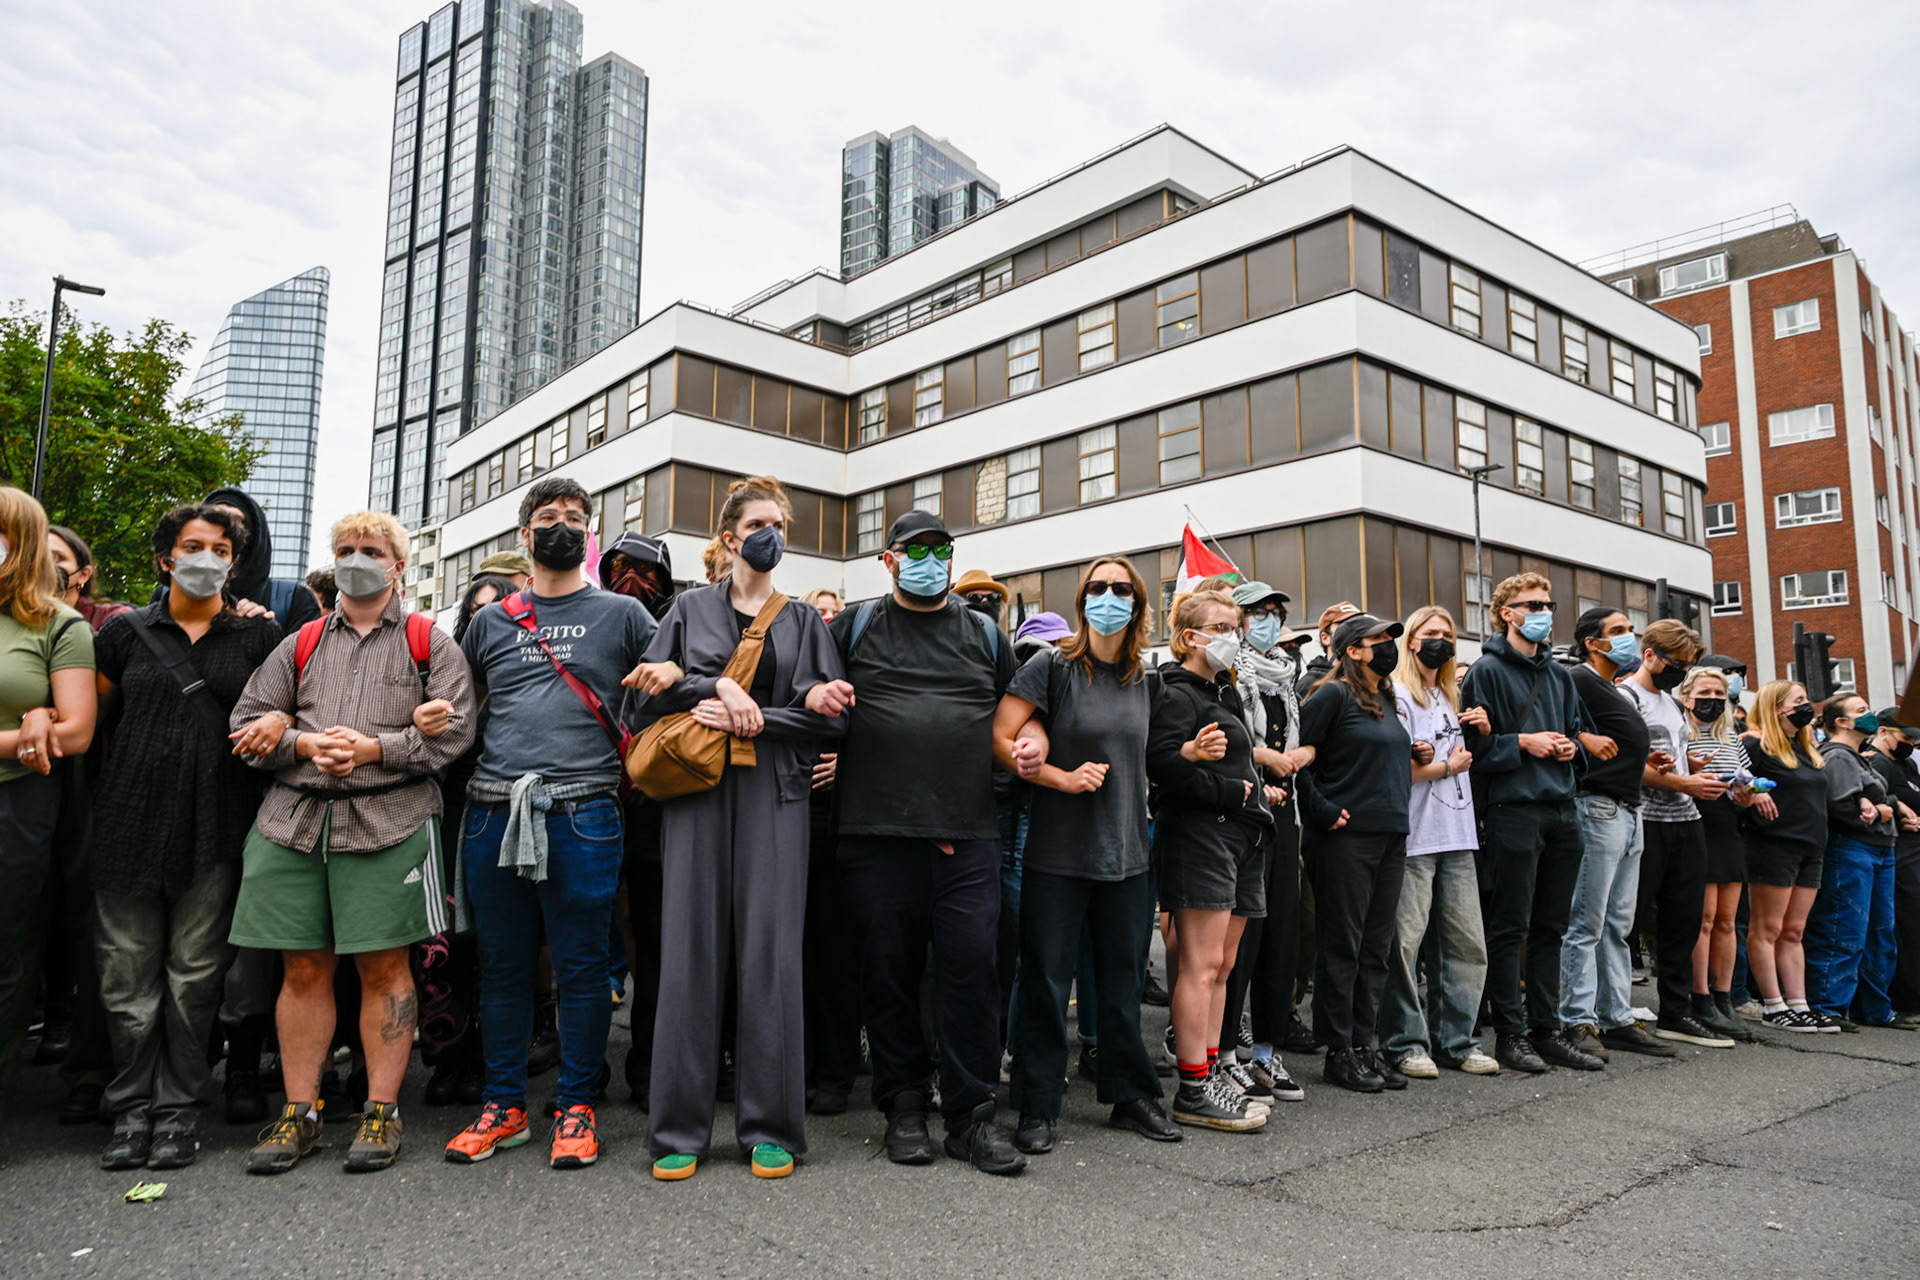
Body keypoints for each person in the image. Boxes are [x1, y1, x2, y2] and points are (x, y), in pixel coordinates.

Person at [225, 510, 477, 1175]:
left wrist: (375, 749)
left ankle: (381, 1110)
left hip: (390, 822)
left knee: (383, 967)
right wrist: (304, 742)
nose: (356, 558)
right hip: (294, 823)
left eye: (370, 549)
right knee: (302, 968)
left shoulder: (431, 642)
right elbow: (247, 723)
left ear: (398, 565)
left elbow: (455, 734)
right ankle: (300, 1110)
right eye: (344, 550)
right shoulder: (300, 642)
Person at [629, 476, 850, 1182]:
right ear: (728, 537)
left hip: (776, 795)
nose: (771, 534)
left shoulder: (804, 621)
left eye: (779, 523)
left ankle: (771, 1126)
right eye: (758, 522)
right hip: (697, 793)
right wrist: (715, 688)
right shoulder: (687, 610)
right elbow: (643, 702)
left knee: (771, 957)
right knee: (688, 953)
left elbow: (835, 720)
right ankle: (677, 1130)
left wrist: (764, 715)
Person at [446, 477, 658, 1170]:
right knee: (503, 969)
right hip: (492, 810)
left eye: (575, 517)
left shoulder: (624, 614)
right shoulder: (491, 621)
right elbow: (462, 708)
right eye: (547, 517)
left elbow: (671, 680)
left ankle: (577, 1106)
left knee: (583, 968)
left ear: (589, 535)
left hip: (585, 812)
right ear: (525, 534)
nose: (561, 526)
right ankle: (503, 1106)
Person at [828, 510, 1027, 1175]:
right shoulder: (851, 625)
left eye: (940, 548)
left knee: (973, 973)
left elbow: (1013, 722)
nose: (929, 558)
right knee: (888, 975)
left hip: (967, 836)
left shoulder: (986, 635)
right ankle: (905, 1107)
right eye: (914, 549)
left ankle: (973, 1119)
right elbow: (811, 698)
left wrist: (1029, 751)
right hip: (876, 835)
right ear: (888, 560)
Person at [90, 504, 279, 1169]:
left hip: (216, 823)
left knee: (195, 980)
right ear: (165, 558)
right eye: (191, 546)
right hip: (125, 822)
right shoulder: (123, 634)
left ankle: (176, 1113)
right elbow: (90, 725)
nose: (206, 557)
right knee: (125, 979)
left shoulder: (259, 636)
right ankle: (130, 1110)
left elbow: (279, 710)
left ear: (234, 560)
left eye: (220, 549)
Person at [995, 555, 1179, 1153]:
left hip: (1128, 856)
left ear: (1137, 601)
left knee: (1122, 984)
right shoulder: (1053, 667)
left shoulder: (1146, 680)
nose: (1108, 597)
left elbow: (1156, 759)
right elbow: (1002, 737)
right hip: (1057, 855)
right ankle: (1038, 1104)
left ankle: (1129, 1097)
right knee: (1047, 984)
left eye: (1119, 588)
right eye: (1096, 588)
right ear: (1082, 601)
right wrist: (1058, 778)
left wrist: (1198, 758)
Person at [1460, 573, 1601, 1073]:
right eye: (1531, 604)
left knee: (1552, 927)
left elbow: (1582, 737)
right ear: (1507, 613)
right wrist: (1522, 742)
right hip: (1513, 810)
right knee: (1510, 926)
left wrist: (1567, 748)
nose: (1542, 612)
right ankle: (1511, 1034)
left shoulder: (1561, 675)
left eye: (1547, 603)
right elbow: (1469, 750)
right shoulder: (1486, 671)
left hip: (1562, 809)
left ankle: (1548, 1028)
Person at [1147, 589, 1275, 1131]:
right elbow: (1162, 766)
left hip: (1241, 840)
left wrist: (1252, 795)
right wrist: (1234, 794)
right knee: (1200, 968)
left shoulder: (1223, 692)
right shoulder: (1175, 693)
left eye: (1234, 626)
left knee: (1222, 966)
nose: (1233, 635)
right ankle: (1193, 1088)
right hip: (1203, 838)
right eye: (1220, 626)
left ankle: (1213, 1069)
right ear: (1189, 636)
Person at [9, 526, 121, 1120]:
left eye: (60, 559)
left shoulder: (107, 622)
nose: (45, 566)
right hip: (26, 788)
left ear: (80, 572)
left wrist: (45, 709)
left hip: (90, 791)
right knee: (21, 933)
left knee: (89, 936)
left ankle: (87, 1073)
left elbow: (89, 709)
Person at [0, 489, 98, 1124]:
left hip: (18, 802)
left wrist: (44, 722)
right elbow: (43, 729)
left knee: (4, 954)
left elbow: (76, 731)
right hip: (20, 761)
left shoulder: (61, 625)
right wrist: (25, 726)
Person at [1295, 612, 1412, 1092]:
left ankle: (1366, 1044)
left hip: (1389, 835)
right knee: (1342, 945)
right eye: (1378, 639)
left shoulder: (1386, 696)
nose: (1388, 645)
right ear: (1351, 649)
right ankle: (1339, 1049)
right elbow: (1296, 758)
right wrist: (1322, 810)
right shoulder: (1330, 694)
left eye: (1389, 639)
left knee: (1376, 947)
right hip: (1345, 838)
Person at [1382, 605, 1499, 1078]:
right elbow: (1402, 771)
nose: (1442, 641)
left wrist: (1483, 737)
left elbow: (1467, 757)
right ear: (1411, 641)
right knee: (1405, 945)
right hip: (1415, 836)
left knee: (1467, 942)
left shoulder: (1449, 694)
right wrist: (1450, 766)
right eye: (1432, 633)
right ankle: (1405, 1042)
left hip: (1458, 834)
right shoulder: (1398, 694)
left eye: (1448, 633)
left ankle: (1458, 1041)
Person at [1616, 621, 1736, 1048]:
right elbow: (1625, 765)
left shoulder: (1670, 702)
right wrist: (1685, 783)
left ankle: (1675, 1011)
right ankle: (1612, 1012)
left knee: (1683, 920)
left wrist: (1697, 770)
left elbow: (1677, 759)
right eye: (1676, 664)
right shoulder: (1625, 697)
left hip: (1686, 821)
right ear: (1649, 655)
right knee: (1625, 921)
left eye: (1688, 666)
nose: (1680, 672)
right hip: (1644, 819)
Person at [1559, 607, 1667, 1061]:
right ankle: (1577, 1020)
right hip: (1598, 806)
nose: (1628, 638)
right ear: (1592, 642)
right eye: (1618, 632)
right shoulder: (1576, 679)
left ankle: (1616, 1015)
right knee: (1586, 923)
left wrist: (1645, 765)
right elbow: (1555, 721)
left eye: (1629, 629)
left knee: (1618, 925)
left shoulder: (1611, 688)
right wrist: (1583, 739)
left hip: (1627, 807)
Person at [595, 531, 678, 1109]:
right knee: (583, 949)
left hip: (651, 814)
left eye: (646, 573)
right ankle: (580, 1071)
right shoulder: (590, 626)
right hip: (589, 804)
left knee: (654, 949)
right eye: (621, 568)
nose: (632, 581)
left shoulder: (682, 633)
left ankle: (648, 1065)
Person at [1218, 580, 1310, 1101]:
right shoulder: (1230, 674)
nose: (1271, 620)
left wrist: (1299, 757)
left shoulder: (1285, 676)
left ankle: (1267, 1056)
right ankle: (1226, 1053)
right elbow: (1227, 740)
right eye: (1260, 612)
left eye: (1278, 611)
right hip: (1243, 818)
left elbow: (1293, 741)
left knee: (1282, 937)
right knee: (1241, 940)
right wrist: (1261, 758)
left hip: (1286, 815)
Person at [1803, 693, 1899, 1032]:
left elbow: (1875, 801)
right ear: (1842, 722)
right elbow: (1843, 807)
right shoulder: (1839, 756)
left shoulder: (1857, 757)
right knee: (1843, 928)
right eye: (1861, 711)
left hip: (1876, 848)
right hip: (1853, 848)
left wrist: (1881, 805)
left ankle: (1873, 1007)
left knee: (1878, 931)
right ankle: (1828, 1005)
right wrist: (1881, 810)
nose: (1869, 715)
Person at [1742, 681, 1829, 1032]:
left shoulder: (1806, 747)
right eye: (1799, 701)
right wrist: (1752, 792)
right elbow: (1735, 777)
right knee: (1767, 928)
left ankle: (1799, 1003)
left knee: (1794, 931)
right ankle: (1773, 1005)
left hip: (1811, 847)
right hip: (1774, 845)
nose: (1806, 706)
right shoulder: (1755, 743)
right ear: (1777, 707)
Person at [1681, 666, 1762, 1042]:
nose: (1713, 698)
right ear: (1687, 695)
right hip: (1695, 823)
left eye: (1719, 693)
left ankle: (1724, 995)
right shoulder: (1679, 731)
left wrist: (1751, 795)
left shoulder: (1730, 736)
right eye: (1706, 692)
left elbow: (1744, 782)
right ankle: (1700, 996)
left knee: (1729, 919)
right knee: (1705, 919)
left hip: (1728, 826)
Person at [1862, 709, 1920, 1029]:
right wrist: (1899, 805)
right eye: (1905, 738)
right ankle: (1906, 999)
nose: (1910, 744)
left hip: (1912, 852)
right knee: (1905, 928)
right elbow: (1872, 793)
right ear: (1884, 732)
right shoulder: (1879, 761)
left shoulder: (1906, 763)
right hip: (1898, 855)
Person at [202, 488, 323, 637]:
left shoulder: (295, 601)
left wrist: (265, 631)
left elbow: (303, 658)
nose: (225, 529)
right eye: (214, 518)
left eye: (237, 521)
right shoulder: (167, 601)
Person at [1293, 601, 1360, 700]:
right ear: (1325, 638)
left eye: (1359, 626)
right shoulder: (1309, 684)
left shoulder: (1369, 678)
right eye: (1344, 627)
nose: (1354, 632)